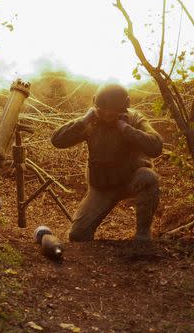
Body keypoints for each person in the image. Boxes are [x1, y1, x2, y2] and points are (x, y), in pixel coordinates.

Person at [51, 83, 163, 243]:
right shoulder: (91, 122)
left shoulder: (134, 119)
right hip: (102, 188)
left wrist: (126, 130)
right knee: (78, 235)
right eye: (103, 112)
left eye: (113, 112)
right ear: (96, 105)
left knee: (148, 177)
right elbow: (57, 140)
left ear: (124, 107)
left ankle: (143, 236)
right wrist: (82, 121)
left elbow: (156, 146)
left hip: (131, 180)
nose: (107, 116)